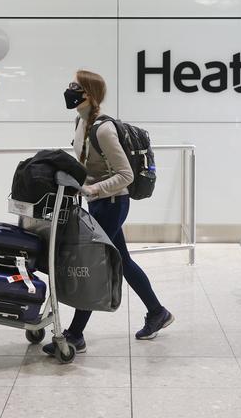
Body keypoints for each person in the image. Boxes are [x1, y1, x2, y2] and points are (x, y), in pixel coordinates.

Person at [43, 70, 174, 355]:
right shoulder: (80, 120)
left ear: (89, 93)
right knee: (123, 260)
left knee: (93, 263)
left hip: (113, 204)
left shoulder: (104, 129)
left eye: (75, 86)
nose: (69, 90)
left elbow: (125, 174)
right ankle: (157, 312)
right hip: (98, 202)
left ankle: (75, 334)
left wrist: (93, 190)